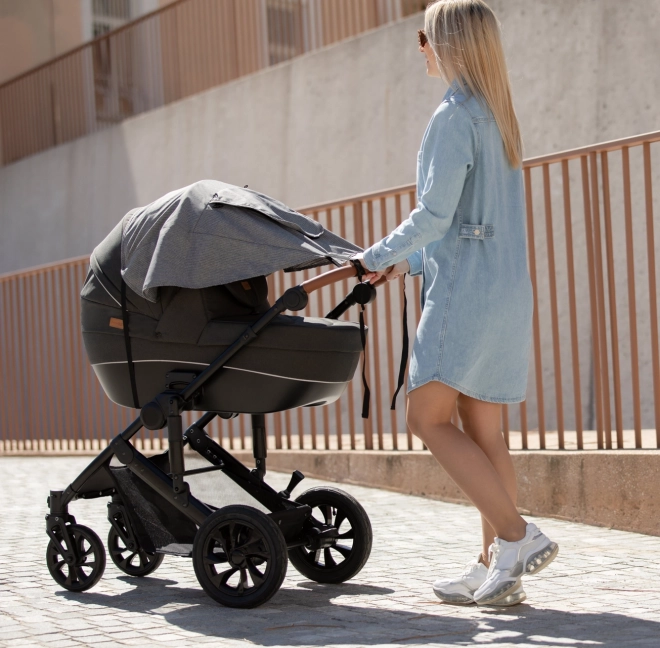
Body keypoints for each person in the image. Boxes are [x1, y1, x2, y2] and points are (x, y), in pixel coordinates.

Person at [352, 0, 558, 607]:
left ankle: (516, 538)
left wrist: (375, 254)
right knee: (485, 432)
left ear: (448, 44)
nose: (421, 49)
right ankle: (495, 566)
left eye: (426, 38)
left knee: (426, 418)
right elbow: (468, 223)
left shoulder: (452, 117)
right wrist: (405, 261)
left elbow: (435, 216)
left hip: (466, 293)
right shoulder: (497, 116)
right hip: (504, 290)